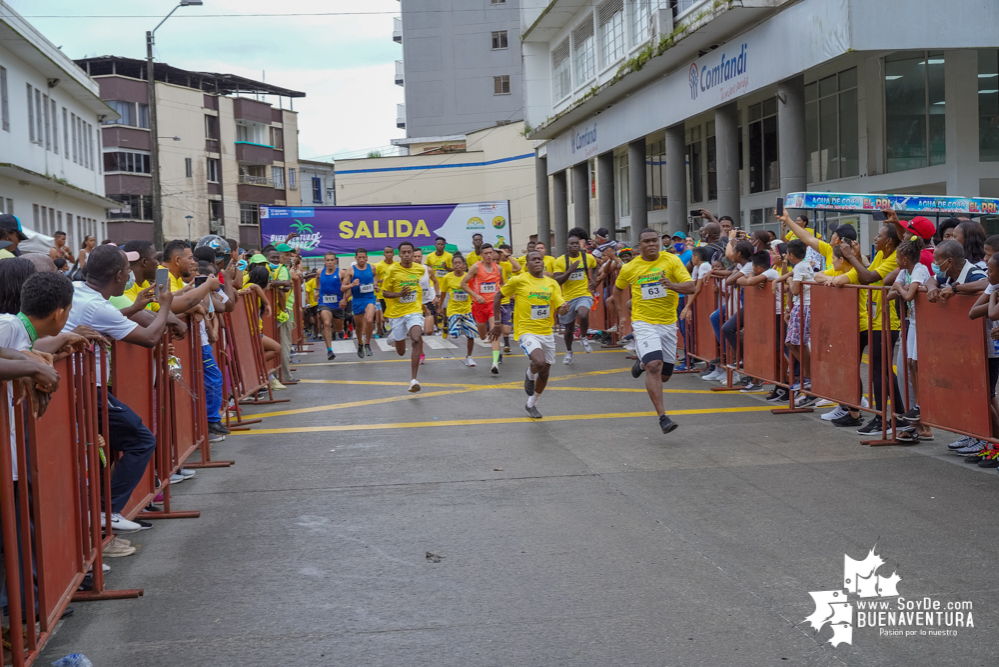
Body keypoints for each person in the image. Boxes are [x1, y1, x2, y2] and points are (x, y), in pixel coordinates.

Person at [63, 245, 174, 534]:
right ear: (117, 274)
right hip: (86, 389)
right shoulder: (98, 306)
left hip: (75, 386)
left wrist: (135, 308)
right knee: (142, 440)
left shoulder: (77, 289)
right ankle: (105, 511)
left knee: (102, 449)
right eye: (127, 272)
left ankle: (100, 514)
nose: (129, 277)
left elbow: (101, 320)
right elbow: (150, 338)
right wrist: (164, 306)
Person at [614, 228, 694, 434]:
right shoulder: (630, 267)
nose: (651, 244)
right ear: (639, 245)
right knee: (654, 366)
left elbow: (692, 286)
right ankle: (663, 417)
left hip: (667, 324)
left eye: (654, 240)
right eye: (646, 241)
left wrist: (672, 285)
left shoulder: (672, 261)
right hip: (643, 322)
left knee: (665, 375)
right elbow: (618, 288)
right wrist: (623, 316)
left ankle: (642, 362)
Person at [838, 221, 907, 436]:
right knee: (883, 370)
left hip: (887, 322)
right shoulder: (880, 256)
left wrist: (850, 257)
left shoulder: (894, 259)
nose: (874, 239)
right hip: (877, 319)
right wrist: (855, 260)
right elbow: (864, 272)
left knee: (878, 371)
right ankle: (901, 417)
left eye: (878, 235)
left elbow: (868, 278)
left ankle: (881, 419)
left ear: (888, 241)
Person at [492, 250, 568, 418]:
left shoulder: (551, 283)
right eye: (533, 259)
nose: (537, 262)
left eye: (539, 259)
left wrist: (564, 308)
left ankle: (531, 403)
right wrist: (497, 322)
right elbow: (498, 296)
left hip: (546, 332)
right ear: (527, 264)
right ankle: (529, 373)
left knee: (545, 371)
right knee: (539, 361)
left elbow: (560, 308)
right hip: (527, 331)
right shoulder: (519, 280)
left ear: (543, 262)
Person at [886, 237, 933, 443]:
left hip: (922, 322)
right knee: (910, 363)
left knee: (916, 363)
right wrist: (897, 286)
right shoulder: (905, 272)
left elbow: (908, 295)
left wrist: (899, 287)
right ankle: (917, 408)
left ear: (905, 258)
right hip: (913, 321)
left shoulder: (920, 270)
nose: (895, 260)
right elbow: (889, 295)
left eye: (897, 257)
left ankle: (922, 406)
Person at [380, 241, 427, 392]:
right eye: (404, 253)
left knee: (415, 339)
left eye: (409, 252)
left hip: (414, 311)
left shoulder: (420, 269)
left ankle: (414, 380)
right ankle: (394, 336)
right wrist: (399, 294)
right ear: (399, 255)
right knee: (401, 352)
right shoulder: (393, 270)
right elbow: (384, 292)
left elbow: (420, 289)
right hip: (397, 314)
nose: (407, 255)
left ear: (414, 254)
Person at [553, 228, 597, 364]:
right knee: (569, 329)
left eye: (576, 244)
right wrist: (569, 271)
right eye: (571, 244)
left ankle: (583, 337)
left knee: (583, 314)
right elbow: (557, 280)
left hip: (583, 294)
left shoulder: (586, 257)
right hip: (567, 298)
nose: (574, 246)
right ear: (567, 246)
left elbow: (595, 266)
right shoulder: (560, 261)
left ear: (579, 245)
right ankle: (568, 351)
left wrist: (594, 280)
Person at [775, 240, 813, 395]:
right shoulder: (802, 266)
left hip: (804, 306)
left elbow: (795, 290)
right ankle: (808, 374)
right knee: (792, 342)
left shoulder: (800, 267)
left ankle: (809, 375)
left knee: (795, 342)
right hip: (801, 306)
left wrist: (789, 280)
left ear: (791, 255)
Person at [461, 243, 504, 374]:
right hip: (479, 305)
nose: (489, 255)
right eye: (486, 253)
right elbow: (463, 283)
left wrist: (505, 292)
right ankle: (486, 338)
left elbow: (502, 283)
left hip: (493, 304)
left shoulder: (499, 268)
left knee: (495, 331)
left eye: (491, 253)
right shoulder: (476, 267)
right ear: (481, 255)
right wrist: (475, 295)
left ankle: (495, 363)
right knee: (482, 335)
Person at [265, 244, 295, 385]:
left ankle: (277, 375)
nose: (289, 257)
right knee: (284, 343)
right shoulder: (281, 270)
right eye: (286, 255)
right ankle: (285, 376)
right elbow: (282, 291)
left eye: (290, 255)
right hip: (281, 312)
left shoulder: (273, 270)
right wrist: (284, 310)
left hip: (274, 311)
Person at [440, 255, 477, 366]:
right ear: (452, 265)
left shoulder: (468, 277)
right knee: (455, 334)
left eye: (459, 263)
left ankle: (469, 357)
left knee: (471, 335)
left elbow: (474, 291)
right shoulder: (447, 277)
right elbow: (443, 293)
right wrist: (440, 307)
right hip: (453, 310)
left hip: (466, 310)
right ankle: (451, 326)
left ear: (463, 265)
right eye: (455, 263)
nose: (457, 265)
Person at [343, 248, 377, 357]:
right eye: (359, 257)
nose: (362, 259)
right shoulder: (350, 271)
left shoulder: (372, 268)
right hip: (357, 300)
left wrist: (375, 285)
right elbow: (343, 288)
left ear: (367, 258)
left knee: (369, 319)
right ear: (356, 258)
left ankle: (367, 344)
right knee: (359, 326)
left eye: (364, 257)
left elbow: (375, 276)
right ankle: (360, 344)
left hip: (369, 298)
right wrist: (352, 285)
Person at [316, 252, 345, 360]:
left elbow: (346, 287)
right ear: (325, 262)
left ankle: (340, 331)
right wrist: (317, 291)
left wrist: (344, 299)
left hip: (338, 304)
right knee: (327, 323)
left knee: (338, 328)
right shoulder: (320, 272)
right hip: (324, 303)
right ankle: (329, 350)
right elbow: (317, 280)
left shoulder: (341, 273)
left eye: (332, 260)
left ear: (335, 261)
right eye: (327, 260)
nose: (330, 262)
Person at [495, 245, 521, 355]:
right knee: (494, 325)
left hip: (504, 300)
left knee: (506, 330)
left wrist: (507, 255)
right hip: (490, 301)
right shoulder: (484, 267)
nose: (495, 262)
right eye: (493, 259)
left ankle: (506, 343)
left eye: (497, 259)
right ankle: (497, 351)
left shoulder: (504, 266)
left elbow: (518, 268)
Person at [373, 246, 396, 338]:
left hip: (394, 294)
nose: (389, 254)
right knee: (384, 316)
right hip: (382, 294)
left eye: (391, 252)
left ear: (394, 253)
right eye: (387, 252)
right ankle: (387, 321)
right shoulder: (378, 266)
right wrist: (380, 283)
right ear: (384, 254)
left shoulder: (397, 265)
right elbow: (375, 278)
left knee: (394, 312)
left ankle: (395, 330)